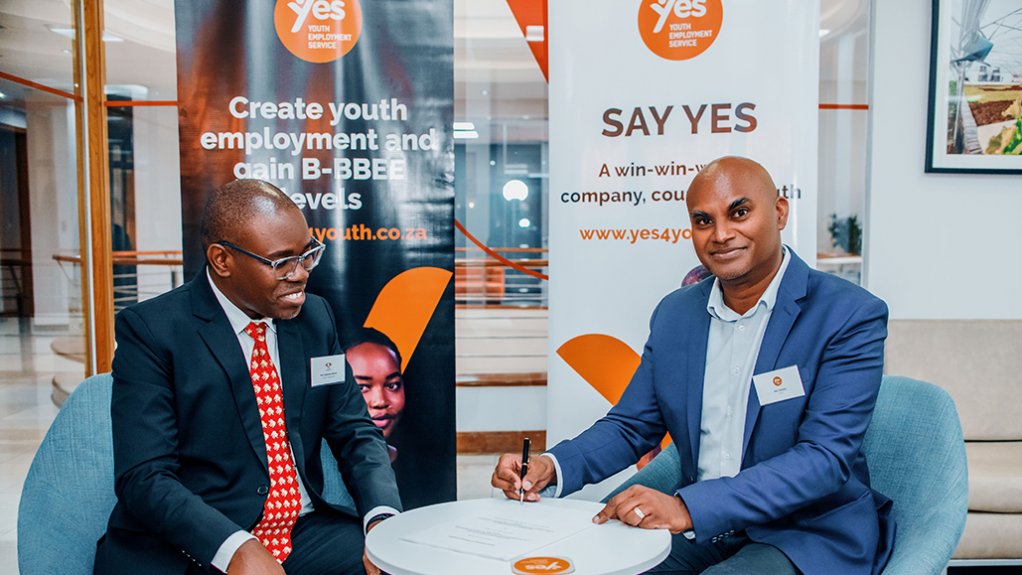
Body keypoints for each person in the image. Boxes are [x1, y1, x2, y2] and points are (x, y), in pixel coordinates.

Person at [492, 156, 894, 574]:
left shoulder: (848, 314)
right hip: (704, 530)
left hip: (806, 533)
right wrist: (550, 466)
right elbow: (631, 426)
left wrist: (687, 507)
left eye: (739, 212)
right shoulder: (676, 314)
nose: (721, 234)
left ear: (779, 212)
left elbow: (823, 459)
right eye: (703, 221)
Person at [94, 179, 401, 575]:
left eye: (307, 255)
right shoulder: (152, 331)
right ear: (222, 260)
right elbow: (144, 476)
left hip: (300, 533)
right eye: (281, 262)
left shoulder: (315, 318)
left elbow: (355, 431)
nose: (301, 274)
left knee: (398, 567)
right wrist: (234, 546)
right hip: (191, 545)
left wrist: (381, 517)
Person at [345, 329, 405, 461]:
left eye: (392, 386)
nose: (380, 401)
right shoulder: (318, 470)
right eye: (361, 387)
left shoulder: (426, 467)